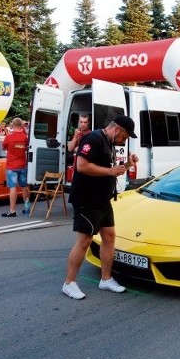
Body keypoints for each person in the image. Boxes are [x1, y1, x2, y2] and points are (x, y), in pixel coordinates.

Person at [62, 115, 138, 300]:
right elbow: (81, 166)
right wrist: (111, 171)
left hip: (102, 199)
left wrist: (127, 164)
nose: (124, 141)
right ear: (117, 130)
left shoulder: (108, 142)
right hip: (87, 199)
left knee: (109, 237)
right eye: (126, 137)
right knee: (84, 241)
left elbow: (108, 169)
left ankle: (106, 279)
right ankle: (69, 283)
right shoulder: (93, 138)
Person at [1, 117, 30, 217]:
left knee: (13, 187)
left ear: (12, 125)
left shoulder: (9, 137)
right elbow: (27, 147)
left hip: (11, 165)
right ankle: (27, 208)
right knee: (24, 186)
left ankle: (12, 210)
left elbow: (3, 147)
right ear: (21, 125)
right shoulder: (25, 137)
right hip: (22, 164)